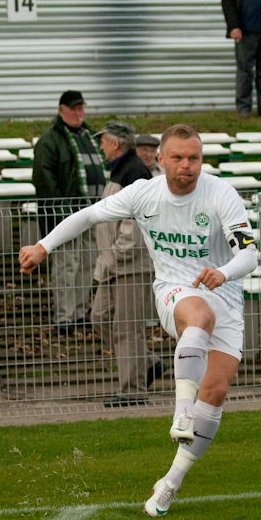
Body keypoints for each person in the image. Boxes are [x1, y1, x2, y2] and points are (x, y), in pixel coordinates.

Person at [18, 124, 258, 516]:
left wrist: (225, 272)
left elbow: (250, 255)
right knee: (199, 315)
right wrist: (43, 245)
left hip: (225, 294)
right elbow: (87, 217)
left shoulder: (221, 194)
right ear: (160, 160)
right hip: (175, 290)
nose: (187, 166)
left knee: (214, 392)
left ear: (202, 159)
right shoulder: (144, 192)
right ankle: (182, 410)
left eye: (193, 158)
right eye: (177, 158)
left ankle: (169, 483)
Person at [89, 121, 164, 408]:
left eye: (104, 141)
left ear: (116, 143)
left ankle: (132, 390)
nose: (101, 147)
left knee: (127, 327)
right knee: (99, 317)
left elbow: (133, 221)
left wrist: (119, 253)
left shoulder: (133, 170)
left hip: (131, 266)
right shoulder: (122, 168)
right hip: (114, 265)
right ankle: (148, 363)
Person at [32, 90, 106, 336]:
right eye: (73, 108)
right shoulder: (50, 140)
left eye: (81, 107)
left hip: (92, 213)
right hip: (66, 216)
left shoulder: (89, 135)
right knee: (67, 266)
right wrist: (61, 212)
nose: (78, 113)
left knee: (86, 263)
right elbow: (44, 179)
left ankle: (78, 312)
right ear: (61, 109)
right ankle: (64, 318)